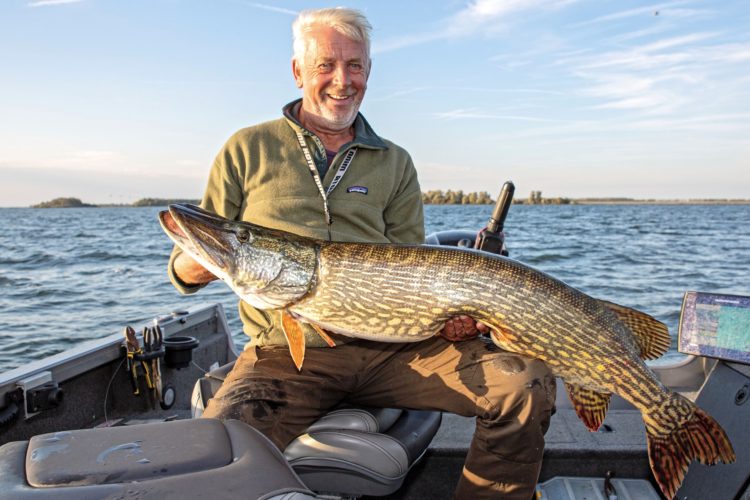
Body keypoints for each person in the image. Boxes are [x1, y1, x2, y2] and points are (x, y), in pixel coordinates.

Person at [168, 7, 555, 499]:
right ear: (298, 71)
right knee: (214, 463)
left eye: (355, 66)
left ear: (368, 72)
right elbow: (188, 263)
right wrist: (212, 258)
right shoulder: (248, 149)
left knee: (526, 384)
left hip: (396, 352)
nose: (341, 81)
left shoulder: (395, 162)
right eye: (326, 65)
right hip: (286, 355)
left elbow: (417, 268)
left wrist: (457, 319)